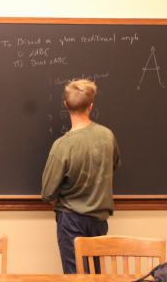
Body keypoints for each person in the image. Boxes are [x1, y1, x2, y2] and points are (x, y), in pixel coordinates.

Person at [41, 79, 121, 274]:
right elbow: (115, 164)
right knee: (96, 276)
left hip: (71, 220)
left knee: (76, 276)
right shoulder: (107, 135)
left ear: (66, 105)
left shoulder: (62, 145)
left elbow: (47, 193)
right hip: (99, 221)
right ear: (91, 106)